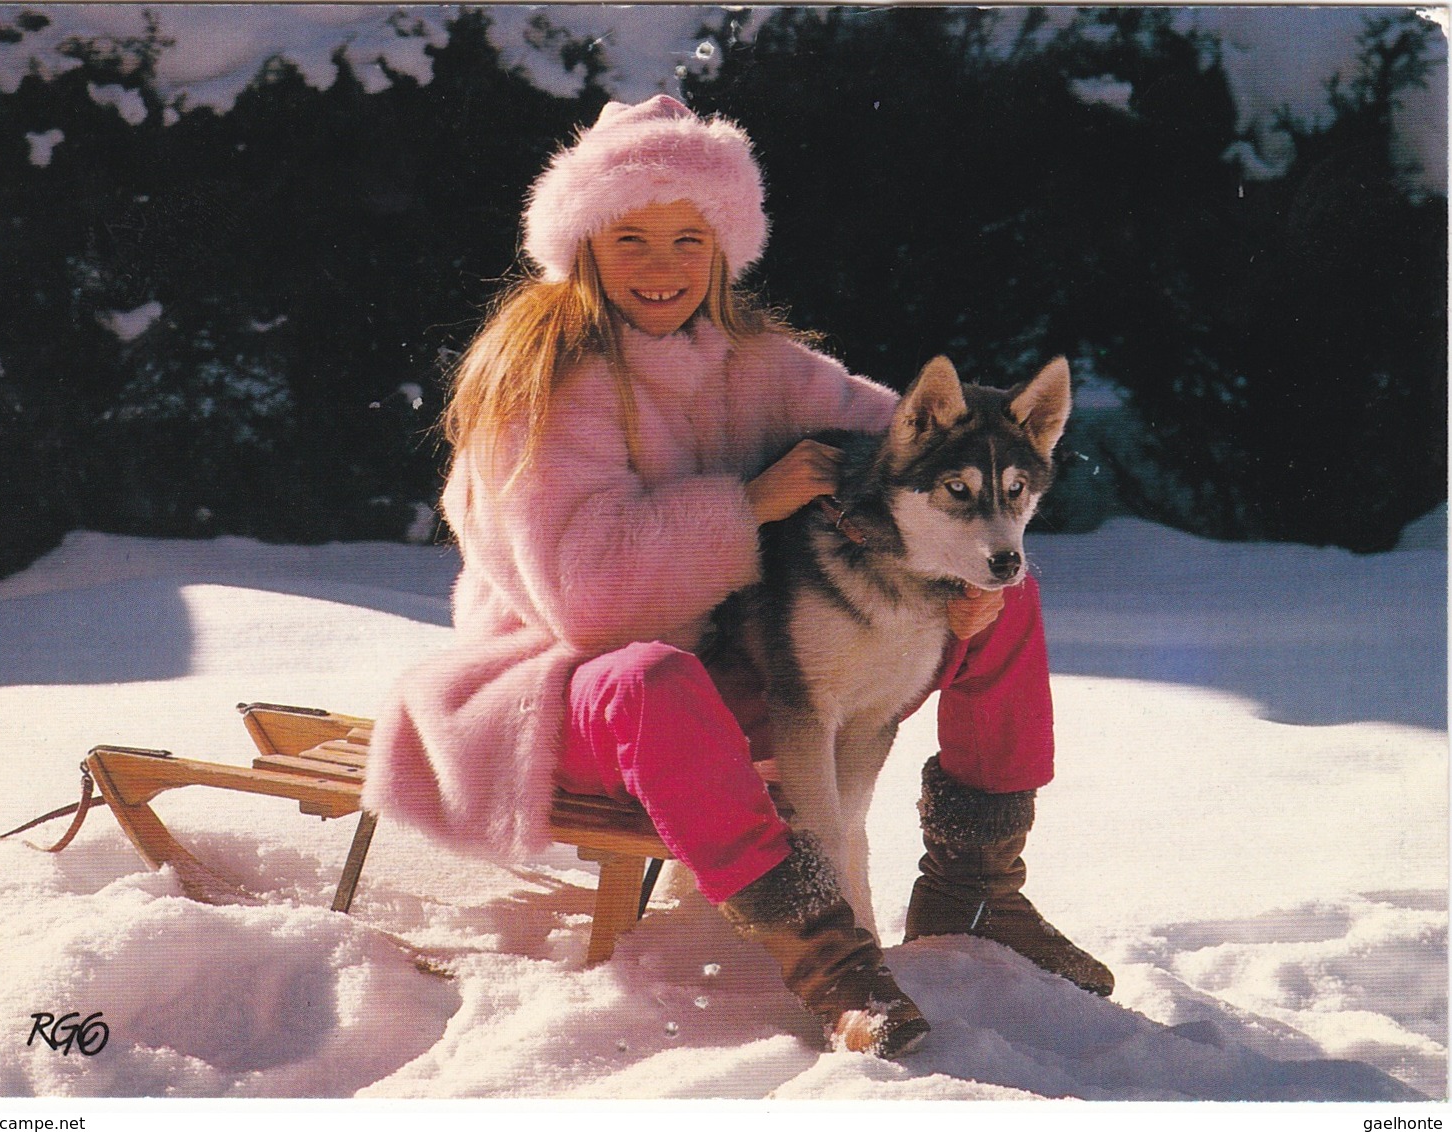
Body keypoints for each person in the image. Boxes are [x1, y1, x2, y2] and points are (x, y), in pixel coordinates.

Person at [364, 95, 1110, 1061]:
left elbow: (909, 448)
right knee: (651, 677)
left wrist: (964, 569)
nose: (663, 267)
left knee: (1005, 587)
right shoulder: (539, 382)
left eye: (689, 239)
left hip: (739, 676)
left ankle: (975, 885)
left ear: (724, 250)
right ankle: (827, 954)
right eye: (630, 239)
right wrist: (746, 506)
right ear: (581, 243)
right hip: (567, 691)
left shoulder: (758, 362)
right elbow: (584, 606)